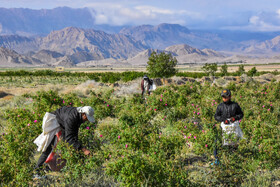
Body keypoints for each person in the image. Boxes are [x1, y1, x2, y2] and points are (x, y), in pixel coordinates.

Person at [33, 106, 95, 179]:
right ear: (83, 114)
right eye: (87, 118)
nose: (87, 120)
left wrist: (78, 146)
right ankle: (36, 172)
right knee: (49, 148)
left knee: (67, 146)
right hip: (54, 122)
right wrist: (83, 149)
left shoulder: (78, 116)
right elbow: (70, 139)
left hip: (63, 123)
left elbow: (73, 134)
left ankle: (51, 167)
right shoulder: (71, 118)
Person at [213, 89, 244, 165]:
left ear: (230, 96)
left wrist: (235, 118)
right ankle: (217, 159)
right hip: (224, 127)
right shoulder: (220, 106)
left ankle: (235, 160)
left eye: (225, 97)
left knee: (234, 143)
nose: (224, 98)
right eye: (223, 97)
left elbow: (241, 114)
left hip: (233, 127)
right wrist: (223, 120)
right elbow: (216, 116)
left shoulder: (235, 105)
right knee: (217, 142)